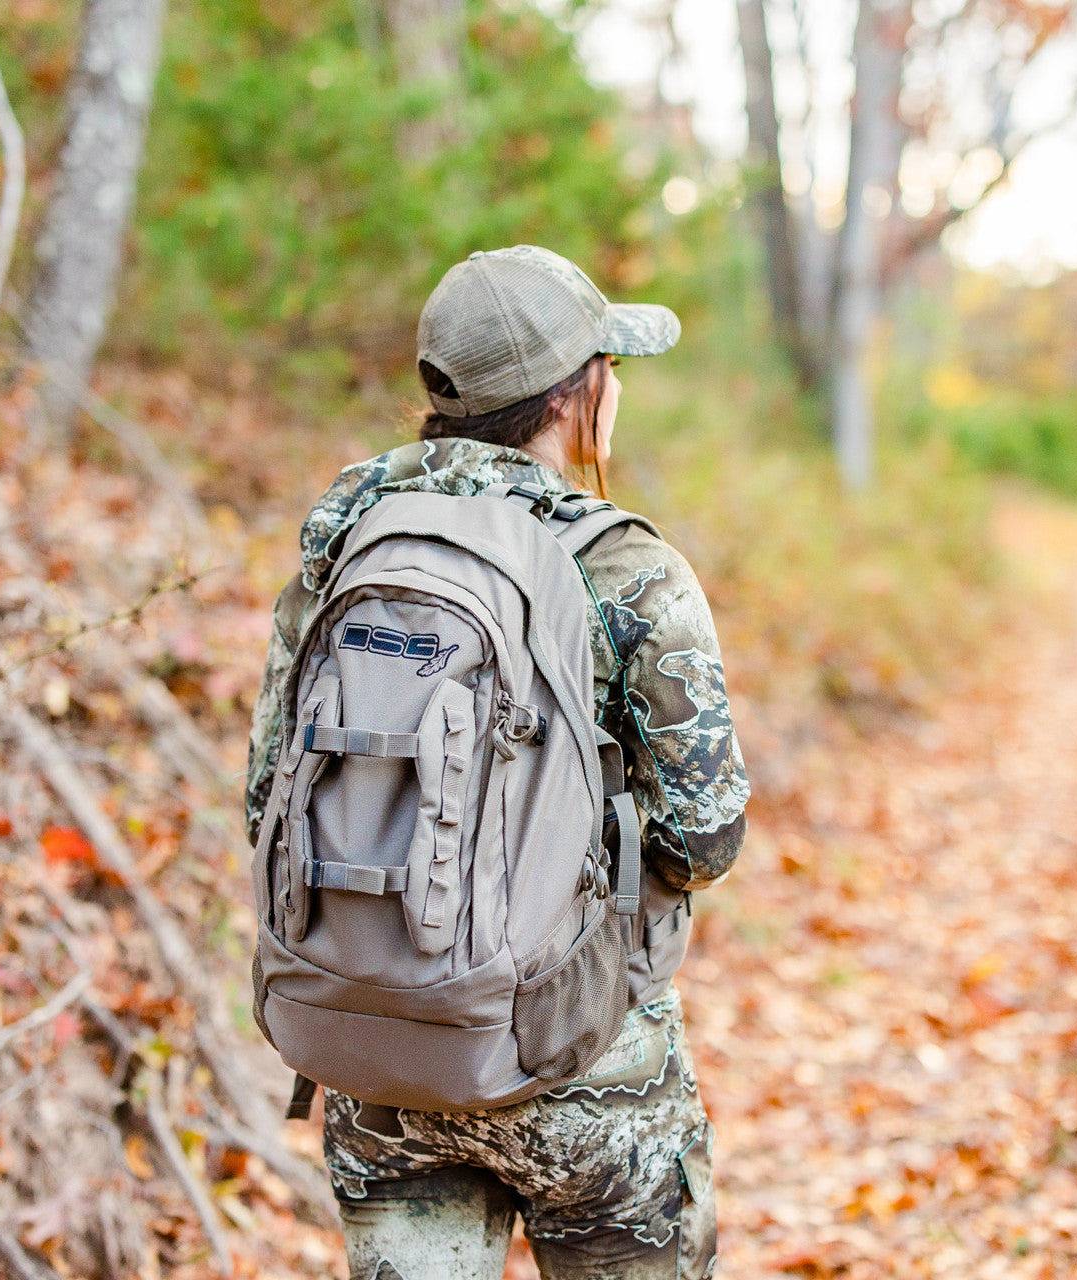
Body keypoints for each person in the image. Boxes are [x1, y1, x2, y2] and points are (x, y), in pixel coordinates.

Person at [245, 245, 749, 1280]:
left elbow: (267, 801)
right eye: (610, 366)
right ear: (575, 395)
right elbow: (704, 836)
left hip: (377, 1061)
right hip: (583, 1061)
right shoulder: (624, 564)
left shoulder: (346, 544)